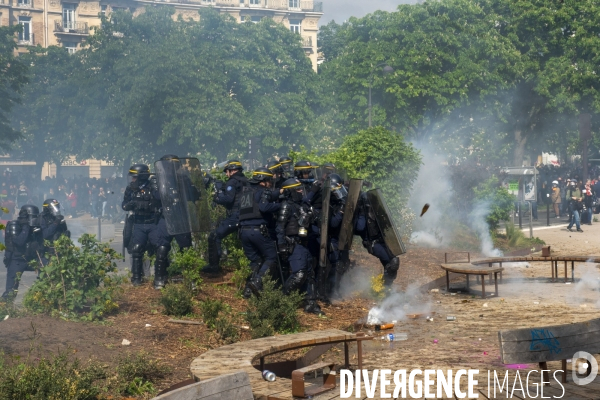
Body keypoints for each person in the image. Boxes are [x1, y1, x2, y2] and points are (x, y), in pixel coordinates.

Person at [276, 178, 323, 315]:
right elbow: (280, 228)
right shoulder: (286, 205)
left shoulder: (301, 205)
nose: (301, 191)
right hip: (293, 244)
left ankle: (311, 303)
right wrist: (282, 245)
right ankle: (282, 301)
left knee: (309, 274)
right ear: (290, 191)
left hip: (304, 244)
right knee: (299, 274)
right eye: (297, 189)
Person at [122, 164, 171, 288]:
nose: (132, 180)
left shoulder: (152, 187)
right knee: (136, 248)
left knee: (161, 248)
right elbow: (124, 204)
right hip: (138, 223)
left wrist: (157, 189)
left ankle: (160, 279)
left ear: (142, 177)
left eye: (135, 177)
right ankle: (137, 280)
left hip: (153, 223)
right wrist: (129, 205)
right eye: (131, 177)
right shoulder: (130, 189)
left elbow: (163, 199)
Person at [238, 167, 280, 298]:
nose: (270, 184)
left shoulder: (246, 193)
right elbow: (264, 207)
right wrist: (282, 205)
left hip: (243, 232)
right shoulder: (263, 191)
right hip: (258, 231)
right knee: (271, 257)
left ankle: (248, 291)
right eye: (269, 181)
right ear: (263, 181)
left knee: (256, 261)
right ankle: (257, 282)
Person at [205, 160, 248, 273]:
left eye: (227, 171)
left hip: (236, 216)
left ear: (233, 170)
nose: (226, 174)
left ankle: (214, 267)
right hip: (248, 216)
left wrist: (217, 196)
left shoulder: (232, 182)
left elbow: (228, 199)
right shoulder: (246, 181)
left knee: (214, 236)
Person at [354, 192, 399, 287]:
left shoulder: (376, 212)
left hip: (382, 242)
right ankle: (385, 289)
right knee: (391, 263)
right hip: (373, 244)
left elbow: (386, 226)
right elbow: (359, 228)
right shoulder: (361, 215)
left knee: (393, 263)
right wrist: (362, 213)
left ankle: (386, 288)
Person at [2, 205, 44, 299]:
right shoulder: (14, 225)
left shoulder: (32, 227)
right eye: (32, 217)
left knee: (46, 273)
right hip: (16, 260)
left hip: (29, 259)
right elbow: (19, 241)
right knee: (11, 290)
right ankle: (5, 309)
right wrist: (25, 226)